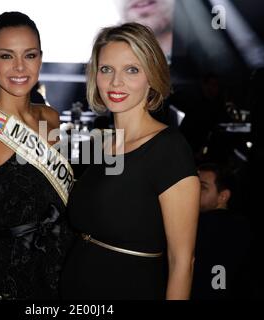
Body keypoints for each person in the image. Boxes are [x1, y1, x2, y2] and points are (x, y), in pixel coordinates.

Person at [60, 22, 200, 300]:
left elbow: (182, 262)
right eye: (106, 69)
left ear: (152, 76)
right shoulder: (101, 144)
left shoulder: (169, 149)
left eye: (131, 70)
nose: (115, 82)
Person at [0, 12, 74, 300]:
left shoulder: (51, 118)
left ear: (40, 59)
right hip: (14, 280)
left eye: (29, 55)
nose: (20, 66)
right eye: (7, 56)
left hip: (68, 272)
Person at [192, 163, 252, 299]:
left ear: (223, 196)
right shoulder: (240, 226)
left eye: (202, 187)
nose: (194, 190)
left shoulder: (207, 225)